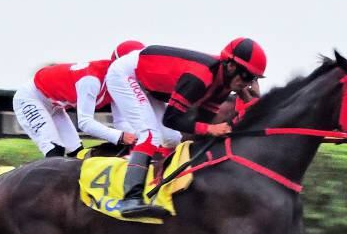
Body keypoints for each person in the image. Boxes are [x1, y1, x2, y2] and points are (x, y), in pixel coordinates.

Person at [104, 37, 267, 218]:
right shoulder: (200, 76)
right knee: (150, 135)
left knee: (172, 139)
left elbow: (200, 123)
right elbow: (171, 119)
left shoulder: (223, 86)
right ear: (231, 66)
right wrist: (210, 129)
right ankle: (130, 199)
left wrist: (250, 103)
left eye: (253, 78)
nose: (247, 83)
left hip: (147, 83)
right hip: (126, 75)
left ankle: (156, 185)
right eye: (246, 76)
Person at [12, 41, 144, 157]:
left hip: (55, 105)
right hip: (30, 98)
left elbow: (121, 122)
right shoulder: (91, 81)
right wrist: (120, 136)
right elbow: (85, 123)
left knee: (77, 153)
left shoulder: (117, 84)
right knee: (55, 150)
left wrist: (143, 136)